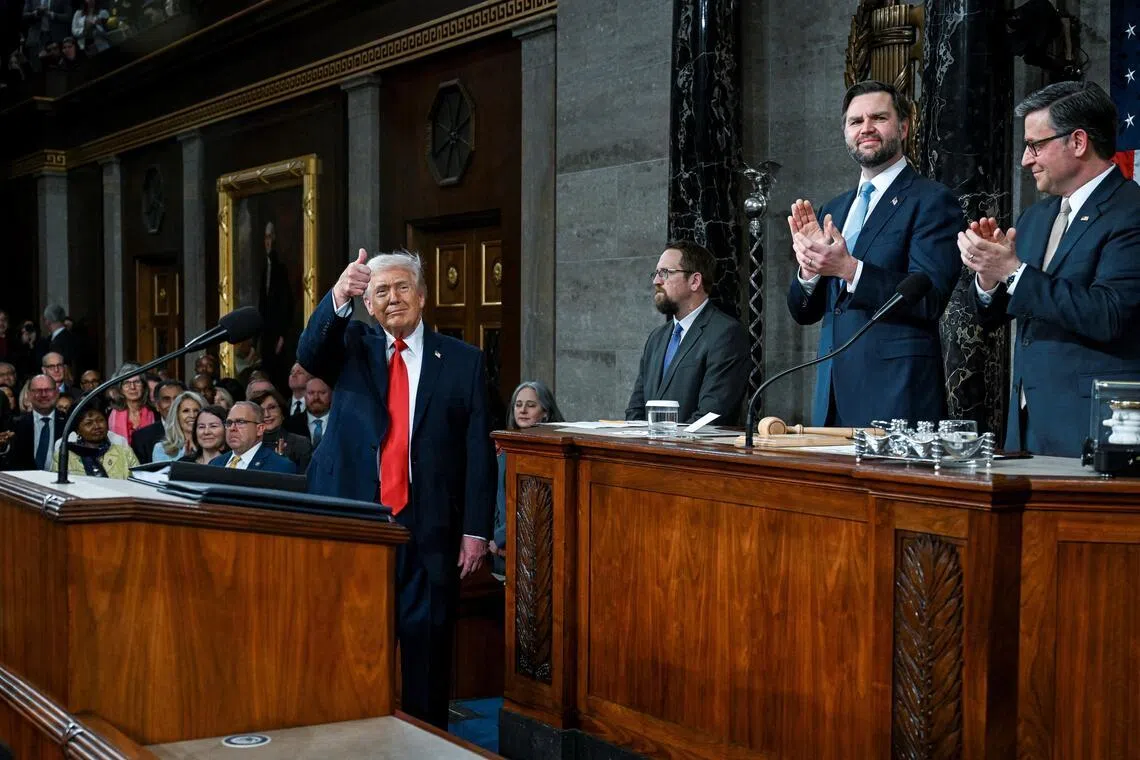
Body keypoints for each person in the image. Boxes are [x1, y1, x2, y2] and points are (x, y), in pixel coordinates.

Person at [297, 248, 496, 728]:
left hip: (428, 528)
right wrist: (338, 295)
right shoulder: (352, 347)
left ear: (423, 296)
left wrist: (474, 530)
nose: (393, 299)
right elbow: (309, 353)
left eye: (402, 287)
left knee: (427, 655)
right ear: (368, 305)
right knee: (354, 651)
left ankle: (428, 745)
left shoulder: (464, 362)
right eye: (380, 291)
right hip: (360, 524)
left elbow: (477, 453)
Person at [959, 81, 1140, 457]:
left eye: (1036, 145)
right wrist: (989, 277)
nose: (1026, 160)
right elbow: (997, 315)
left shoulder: (1131, 211)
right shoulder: (1035, 217)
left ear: (1077, 142)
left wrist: (1013, 272)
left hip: (1091, 424)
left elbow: (1109, 314)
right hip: (1025, 425)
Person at [786, 80, 962, 427]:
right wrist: (810, 271)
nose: (866, 128)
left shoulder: (931, 200)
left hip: (896, 395)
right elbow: (805, 312)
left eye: (878, 118)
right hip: (832, 396)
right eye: (855, 121)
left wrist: (851, 270)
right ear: (845, 132)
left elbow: (928, 299)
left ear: (904, 126)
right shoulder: (833, 208)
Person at [625, 240, 749, 424]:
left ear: (695, 281)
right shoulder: (656, 338)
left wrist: (667, 445)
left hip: (693, 451)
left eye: (665, 273)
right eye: (656, 273)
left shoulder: (726, 334)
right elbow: (636, 409)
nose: (656, 281)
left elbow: (711, 415)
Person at [491, 381, 564, 573]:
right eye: (518, 404)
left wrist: (501, 537)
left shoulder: (551, 451)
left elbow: (533, 504)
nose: (523, 410)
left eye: (531, 405)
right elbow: (497, 498)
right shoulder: (504, 447)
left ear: (546, 412)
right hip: (498, 547)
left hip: (533, 547)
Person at [208, 401, 297, 473]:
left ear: (260, 429)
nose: (232, 428)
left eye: (240, 422)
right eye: (229, 423)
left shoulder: (281, 467)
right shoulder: (215, 464)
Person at [52, 407, 139, 479]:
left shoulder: (125, 453)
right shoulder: (65, 456)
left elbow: (139, 484)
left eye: (100, 420)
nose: (97, 426)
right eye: (89, 423)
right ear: (78, 430)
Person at [259, 222, 294, 390]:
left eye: (271, 237)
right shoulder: (264, 268)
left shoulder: (281, 269)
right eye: (266, 237)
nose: (268, 242)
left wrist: (282, 334)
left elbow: (286, 304)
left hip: (279, 334)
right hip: (265, 333)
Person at [8, 374, 66, 470]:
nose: (43, 395)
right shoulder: (16, 424)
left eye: (48, 390)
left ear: (57, 392)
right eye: (38, 391)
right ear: (29, 395)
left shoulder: (69, 423)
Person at [251, 388, 312, 472]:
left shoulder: (301, 443)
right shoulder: (248, 444)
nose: (266, 414)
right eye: (260, 410)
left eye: (272, 408)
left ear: (282, 412)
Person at [130, 379, 185, 463]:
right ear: (157, 406)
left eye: (177, 399)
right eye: (166, 399)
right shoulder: (141, 438)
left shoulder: (197, 431)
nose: (173, 404)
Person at [106, 363, 156, 447]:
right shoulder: (110, 414)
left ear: (143, 386)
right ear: (120, 388)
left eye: (137, 382)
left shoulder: (155, 412)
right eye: (126, 383)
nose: (132, 387)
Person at [152, 391, 206, 463]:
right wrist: (185, 459)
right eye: (186, 411)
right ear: (177, 415)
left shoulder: (209, 445)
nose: (192, 415)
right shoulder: (161, 449)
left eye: (196, 410)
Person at [284, 376, 331, 447]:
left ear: (331, 395)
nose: (316, 397)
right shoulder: (289, 425)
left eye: (322, 392)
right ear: (305, 396)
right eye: (311, 393)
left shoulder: (344, 424)